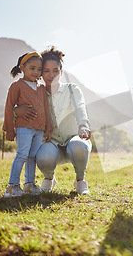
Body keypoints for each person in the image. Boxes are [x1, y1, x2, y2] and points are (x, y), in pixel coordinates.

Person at [14, 47, 92, 195]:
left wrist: (83, 125)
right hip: (52, 143)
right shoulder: (37, 93)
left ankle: (80, 181)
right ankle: (49, 179)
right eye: (46, 71)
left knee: (79, 146)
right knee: (42, 156)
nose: (51, 75)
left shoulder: (72, 89)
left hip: (74, 140)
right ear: (40, 73)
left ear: (61, 72)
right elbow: (19, 107)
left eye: (55, 71)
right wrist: (16, 111)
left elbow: (80, 108)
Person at [3, 52, 52, 197]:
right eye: (32, 68)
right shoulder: (16, 86)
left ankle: (29, 184)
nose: (36, 72)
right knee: (22, 155)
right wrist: (9, 129)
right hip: (23, 128)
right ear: (22, 67)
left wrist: (47, 128)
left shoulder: (42, 88)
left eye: (39, 69)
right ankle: (13, 185)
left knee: (33, 156)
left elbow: (45, 108)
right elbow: (9, 107)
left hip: (38, 129)